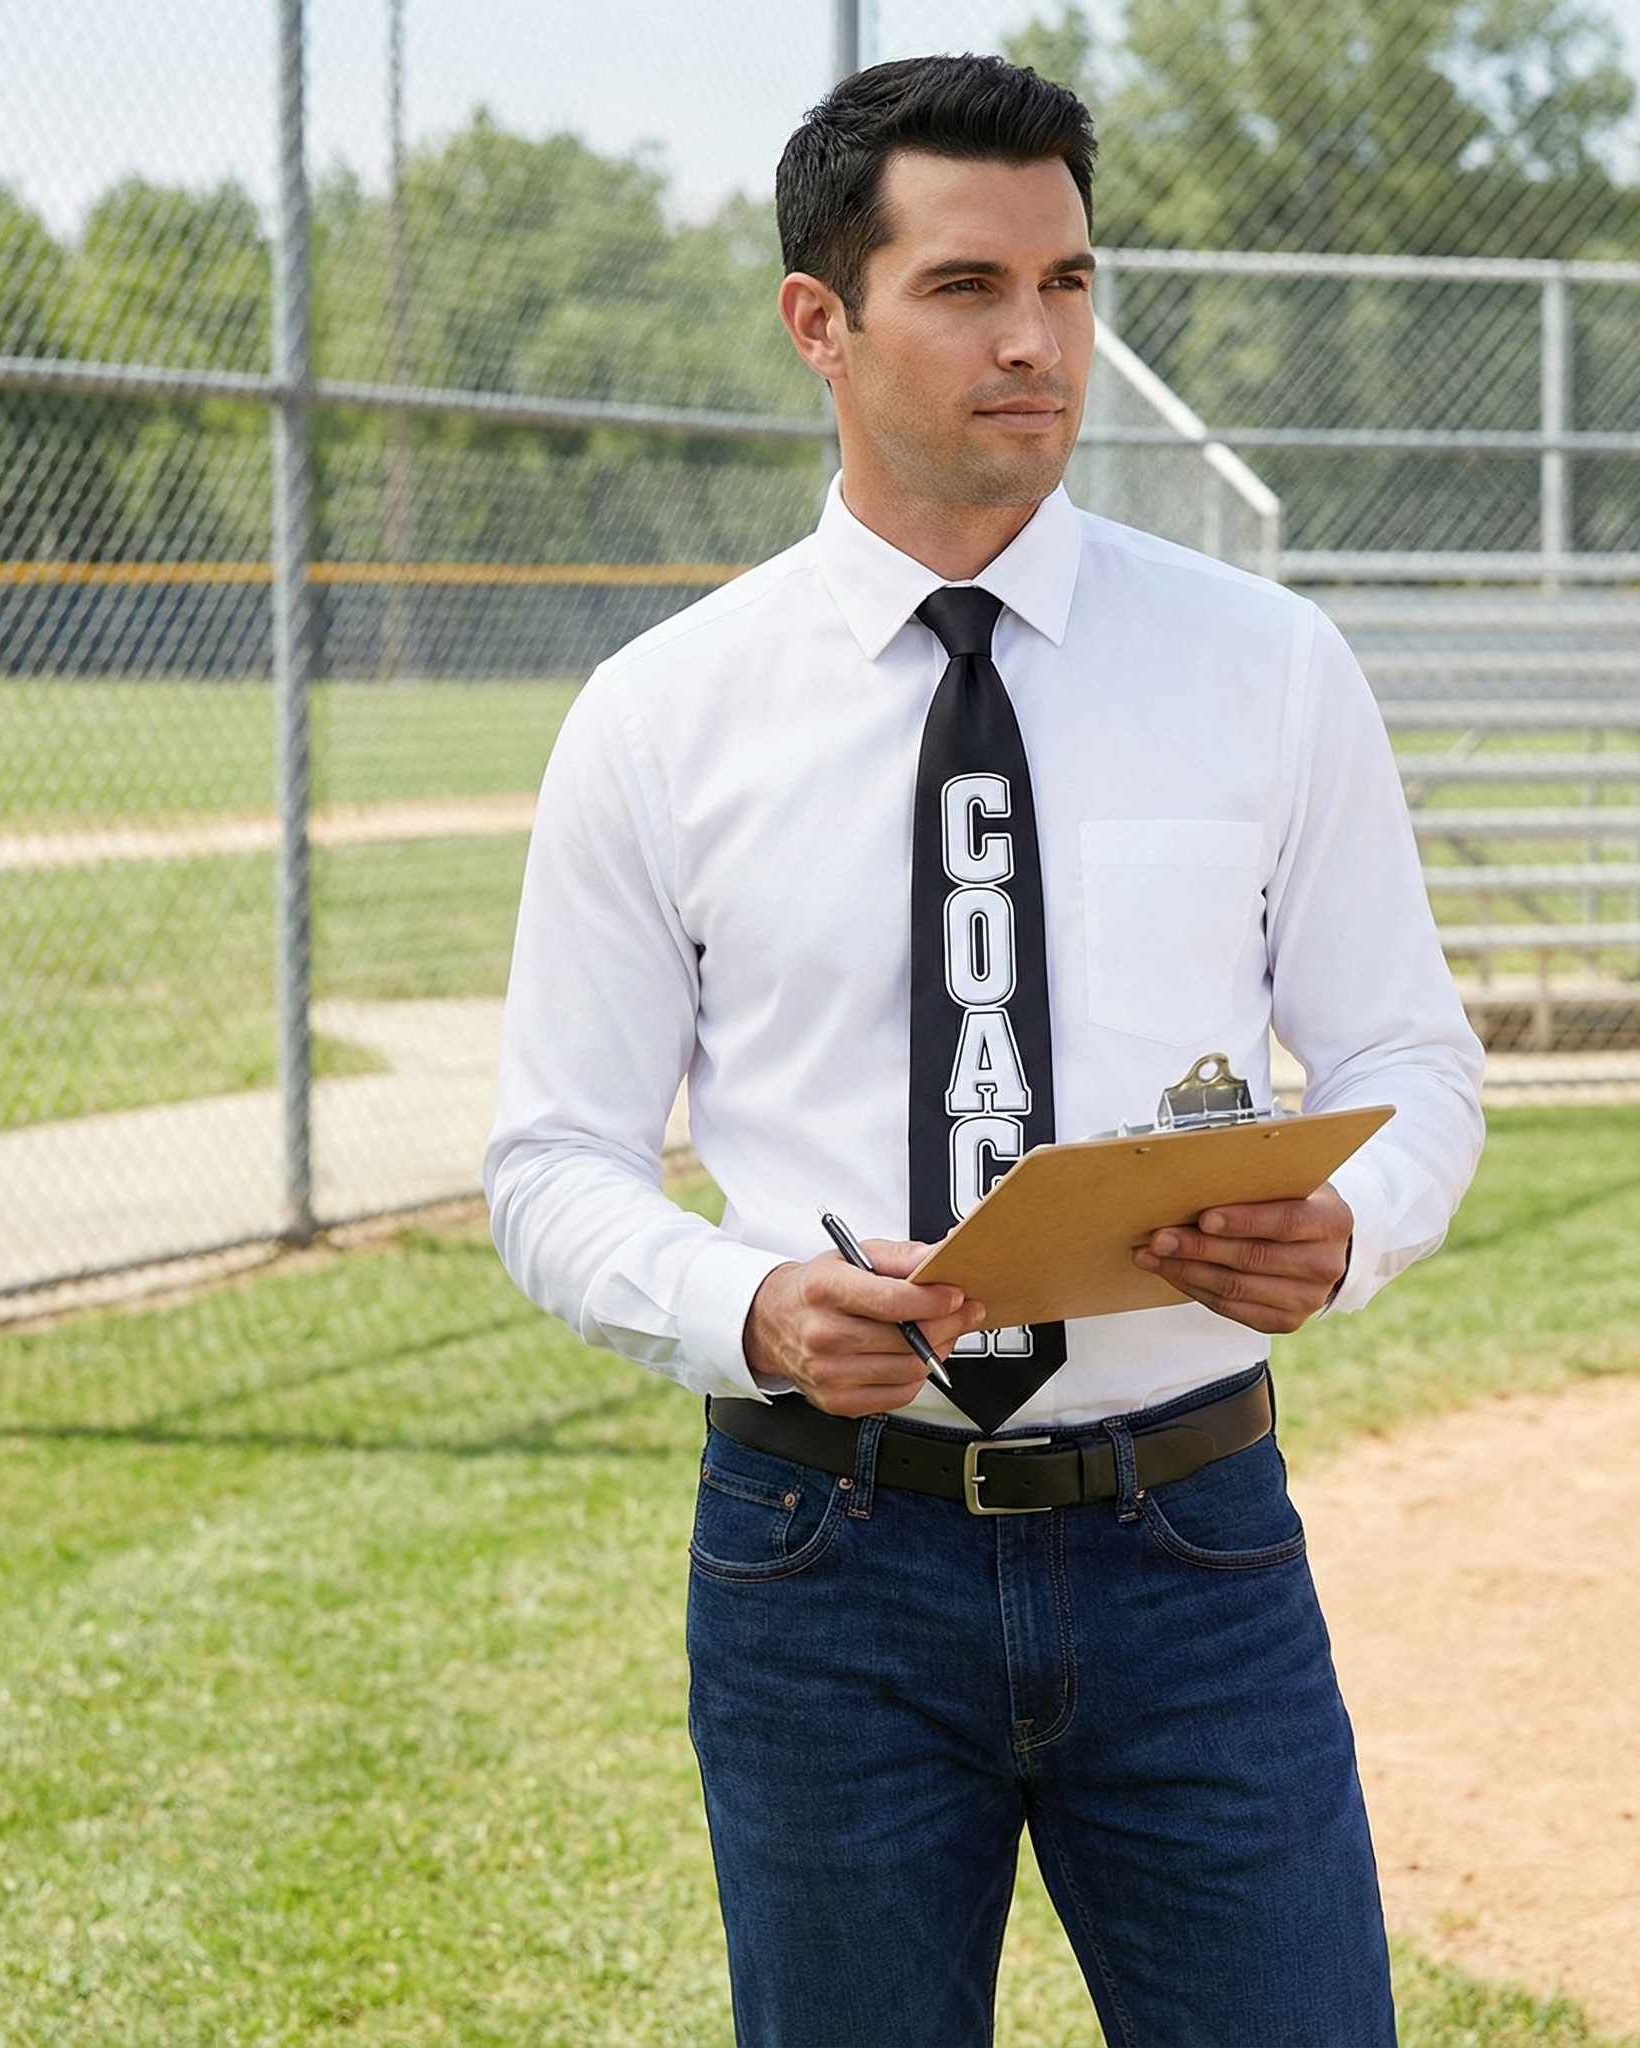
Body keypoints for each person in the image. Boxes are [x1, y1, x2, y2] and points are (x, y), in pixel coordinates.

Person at [486, 51, 1483, 2048]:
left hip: (1191, 1543)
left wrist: (1346, 1225)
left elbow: (1409, 1048)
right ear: (818, 323)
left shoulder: (1265, 664)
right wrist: (746, 1300)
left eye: (1070, 283)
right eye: (964, 288)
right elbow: (550, 1159)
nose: (1035, 342)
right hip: (822, 1559)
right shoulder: (660, 715)